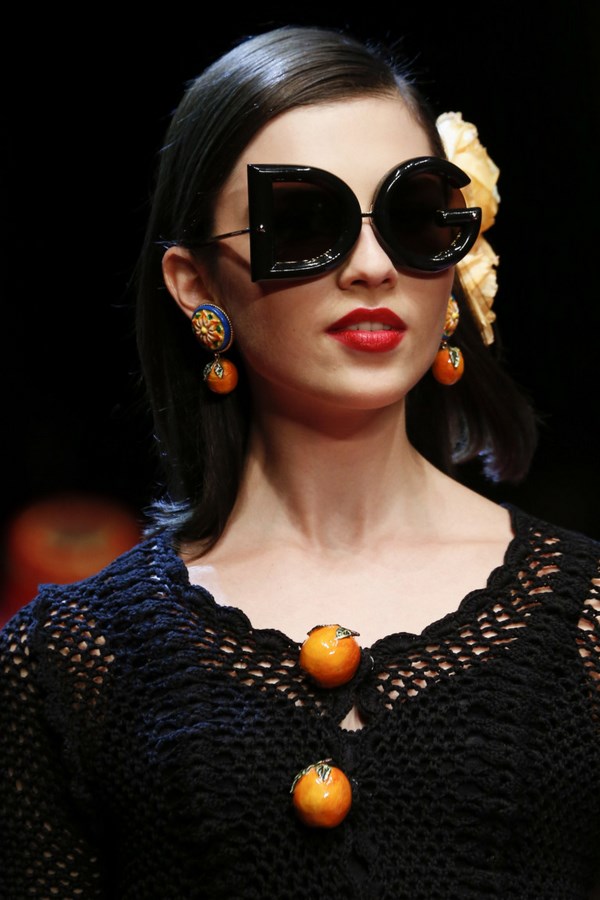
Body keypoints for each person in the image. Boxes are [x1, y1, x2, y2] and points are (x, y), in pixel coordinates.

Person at [1, 23, 599, 900]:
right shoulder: (67, 663)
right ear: (195, 284)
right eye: (305, 222)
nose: (372, 267)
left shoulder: (587, 621)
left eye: (413, 215)